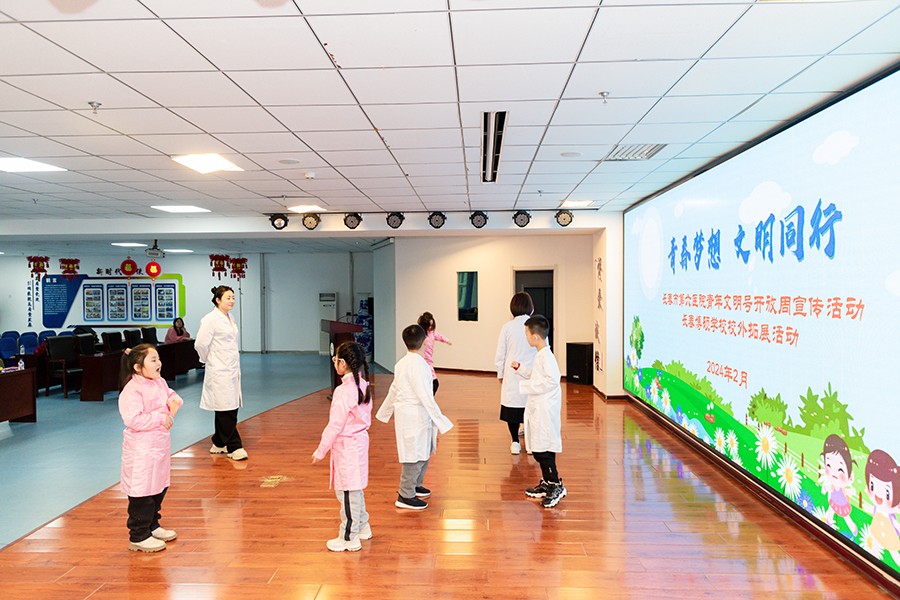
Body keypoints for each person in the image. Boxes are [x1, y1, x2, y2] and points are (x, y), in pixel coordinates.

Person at [376, 324, 453, 510]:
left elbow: (394, 389)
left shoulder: (402, 363)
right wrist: (440, 419)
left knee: (423, 450)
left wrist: (384, 412)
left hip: (411, 414)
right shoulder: (419, 365)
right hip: (414, 414)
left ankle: (416, 485)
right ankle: (405, 494)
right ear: (425, 341)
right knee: (414, 455)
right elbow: (424, 395)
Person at [118, 344, 184, 552]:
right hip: (142, 449)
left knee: (159, 486)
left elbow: (169, 394)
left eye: (158, 359)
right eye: (153, 360)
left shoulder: (159, 381)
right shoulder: (132, 390)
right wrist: (160, 417)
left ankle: (152, 525)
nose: (159, 363)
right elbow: (133, 419)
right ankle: (138, 535)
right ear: (138, 367)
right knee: (142, 491)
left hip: (159, 445)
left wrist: (174, 399)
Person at [312, 341, 373, 552]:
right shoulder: (362, 384)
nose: (333, 361)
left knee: (347, 492)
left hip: (348, 446)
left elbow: (335, 425)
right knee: (355, 488)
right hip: (358, 442)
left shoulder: (343, 391)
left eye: (336, 359)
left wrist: (321, 450)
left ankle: (349, 537)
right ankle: (363, 525)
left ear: (343, 364)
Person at [511, 314, 566, 508]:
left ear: (535, 336)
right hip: (539, 407)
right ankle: (547, 482)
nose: (526, 337)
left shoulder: (547, 357)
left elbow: (552, 381)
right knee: (541, 446)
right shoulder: (541, 355)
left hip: (545, 409)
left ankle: (556, 485)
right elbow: (536, 376)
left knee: (543, 449)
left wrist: (526, 387)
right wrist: (520, 369)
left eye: (526, 334)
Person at [194, 285, 247, 461]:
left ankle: (218, 442)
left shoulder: (230, 317)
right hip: (219, 368)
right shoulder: (210, 319)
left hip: (231, 368)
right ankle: (234, 446)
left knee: (228, 406)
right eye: (228, 298)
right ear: (218, 300)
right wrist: (207, 359)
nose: (232, 301)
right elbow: (200, 344)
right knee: (226, 409)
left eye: (233, 297)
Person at [494, 292, 535, 455]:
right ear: (531, 308)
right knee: (531, 408)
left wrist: (500, 373)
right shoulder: (535, 325)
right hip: (532, 374)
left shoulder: (507, 327)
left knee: (512, 408)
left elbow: (501, 353)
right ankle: (531, 444)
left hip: (512, 374)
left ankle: (515, 442)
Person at [417, 312, 451, 396]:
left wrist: (447, 341)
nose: (430, 327)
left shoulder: (432, 333)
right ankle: (427, 399)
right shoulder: (421, 335)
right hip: (422, 361)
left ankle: (428, 398)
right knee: (433, 382)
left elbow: (439, 336)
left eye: (432, 325)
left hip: (429, 361)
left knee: (432, 383)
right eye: (429, 326)